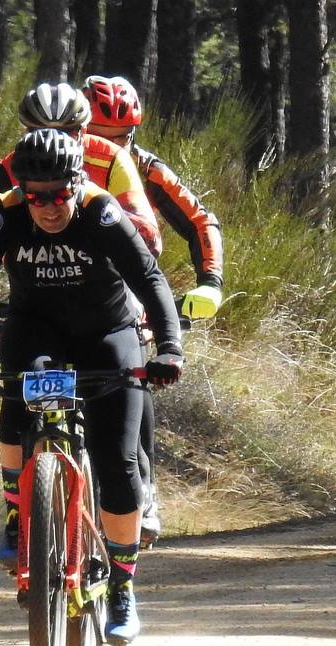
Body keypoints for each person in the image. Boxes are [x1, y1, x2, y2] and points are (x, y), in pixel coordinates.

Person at [0, 128, 185, 646]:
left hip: (108, 335)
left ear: (77, 182)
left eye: (58, 194)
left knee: (117, 463)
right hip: (36, 329)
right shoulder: (6, 213)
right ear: (22, 190)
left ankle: (124, 588)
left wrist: (168, 349)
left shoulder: (100, 211)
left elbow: (150, 279)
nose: (46, 207)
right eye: (35, 195)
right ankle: (25, 517)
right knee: (19, 405)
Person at [82, 75, 226, 546]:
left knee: (136, 375)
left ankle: (142, 486)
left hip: (128, 292)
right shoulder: (52, 162)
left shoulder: (144, 168)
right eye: (99, 135)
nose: (109, 147)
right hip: (56, 288)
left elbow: (201, 221)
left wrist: (211, 283)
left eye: (120, 137)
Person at [0, 82, 163, 258]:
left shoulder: (112, 158)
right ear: (26, 133)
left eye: (66, 133)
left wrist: (101, 221)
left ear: (82, 132)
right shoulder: (13, 164)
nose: (53, 142)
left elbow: (150, 239)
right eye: (40, 133)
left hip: (105, 276)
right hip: (31, 275)